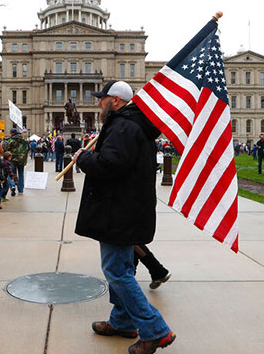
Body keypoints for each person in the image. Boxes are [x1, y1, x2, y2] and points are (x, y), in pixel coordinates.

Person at [73, 80, 175, 354]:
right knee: (120, 269)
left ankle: (155, 330)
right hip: (123, 208)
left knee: (117, 273)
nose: (98, 103)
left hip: (118, 211)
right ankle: (122, 321)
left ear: (115, 100)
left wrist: (84, 158)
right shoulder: (128, 125)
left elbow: (110, 165)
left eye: (102, 98)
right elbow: (120, 163)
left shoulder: (123, 127)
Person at [5, 128, 29, 194]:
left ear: (12, 133)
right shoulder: (24, 140)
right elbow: (28, 148)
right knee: (21, 174)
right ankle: (20, 189)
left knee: (10, 173)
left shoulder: (11, 140)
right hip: (22, 159)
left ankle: (12, 186)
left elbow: (6, 149)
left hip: (12, 159)